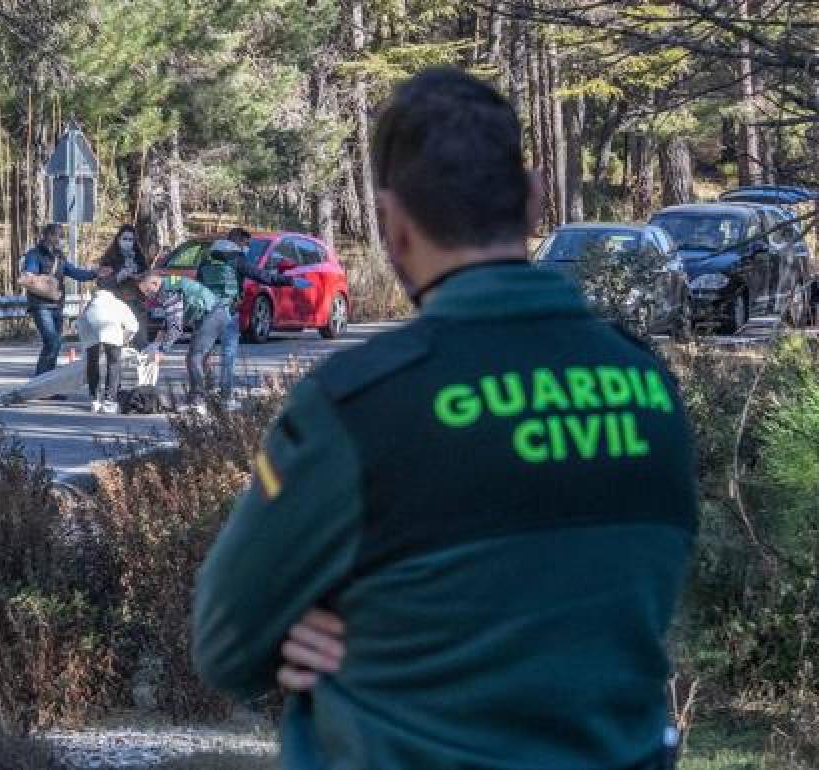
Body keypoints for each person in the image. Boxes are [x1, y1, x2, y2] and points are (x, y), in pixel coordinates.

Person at [192, 67, 697, 770]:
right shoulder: (650, 387)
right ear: (532, 199)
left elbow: (225, 645)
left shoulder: (357, 407)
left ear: (395, 225)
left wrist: (321, 626)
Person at [196, 230, 313, 405]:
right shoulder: (237, 259)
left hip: (207, 311)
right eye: (247, 244)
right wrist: (291, 281)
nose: (248, 248)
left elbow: (199, 283)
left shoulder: (206, 258)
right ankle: (226, 397)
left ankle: (200, 396)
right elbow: (263, 277)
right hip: (228, 311)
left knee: (202, 354)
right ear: (240, 241)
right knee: (228, 354)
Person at [20, 223, 100, 379]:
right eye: (57, 235)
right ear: (48, 236)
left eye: (61, 236)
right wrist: (37, 277)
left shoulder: (59, 257)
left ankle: (46, 385)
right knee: (53, 342)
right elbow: (29, 278)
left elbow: (76, 273)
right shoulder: (34, 254)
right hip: (40, 306)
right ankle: (40, 382)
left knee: (54, 346)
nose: (60, 239)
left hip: (57, 306)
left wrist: (95, 273)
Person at [136, 270, 222, 411]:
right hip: (212, 313)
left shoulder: (169, 291)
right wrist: (160, 335)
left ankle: (198, 401)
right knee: (201, 358)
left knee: (194, 358)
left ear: (155, 283)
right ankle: (208, 395)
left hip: (212, 314)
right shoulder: (168, 285)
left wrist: (161, 351)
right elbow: (172, 317)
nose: (147, 295)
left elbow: (175, 327)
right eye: (144, 292)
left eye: (147, 290)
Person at [77, 283, 140, 414]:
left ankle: (94, 399)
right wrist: (124, 340)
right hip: (111, 331)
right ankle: (109, 399)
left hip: (90, 330)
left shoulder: (90, 304)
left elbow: (80, 323)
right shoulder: (118, 304)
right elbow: (133, 326)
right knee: (113, 363)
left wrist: (85, 344)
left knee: (92, 363)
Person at [99, 224, 150, 347]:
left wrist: (140, 277)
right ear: (118, 239)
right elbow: (102, 282)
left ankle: (142, 362)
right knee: (115, 341)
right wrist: (119, 276)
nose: (128, 242)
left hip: (136, 302)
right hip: (116, 303)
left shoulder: (139, 258)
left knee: (140, 337)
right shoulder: (109, 258)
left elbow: (148, 276)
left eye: (131, 239)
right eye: (125, 239)